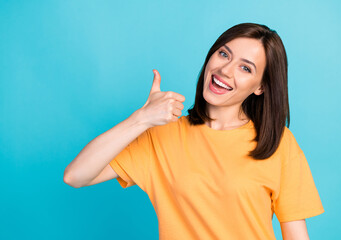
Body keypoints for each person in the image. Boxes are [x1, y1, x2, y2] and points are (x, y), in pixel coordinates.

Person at [63, 22, 324, 240]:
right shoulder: (163, 135)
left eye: (245, 68)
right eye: (224, 54)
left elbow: (296, 235)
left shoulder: (278, 143)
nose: (225, 70)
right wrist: (140, 119)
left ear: (261, 87)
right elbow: (75, 176)